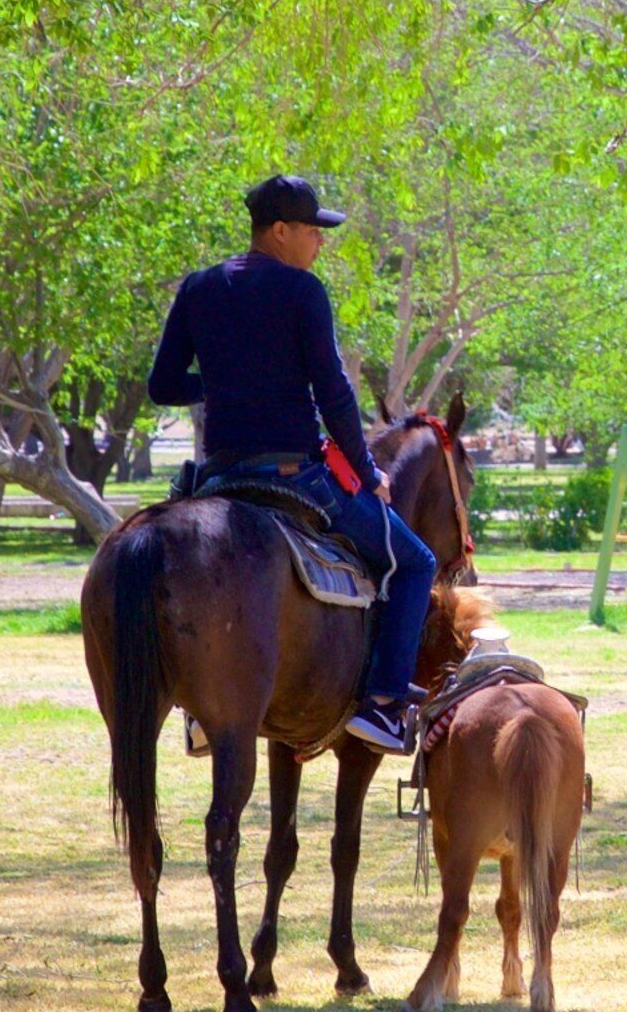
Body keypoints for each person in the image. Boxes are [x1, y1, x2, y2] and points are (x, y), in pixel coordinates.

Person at [145, 173, 435, 754]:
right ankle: (381, 706)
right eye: (312, 231)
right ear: (280, 232)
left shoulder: (199, 288)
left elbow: (162, 385)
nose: (319, 244)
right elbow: (334, 394)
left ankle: (199, 709)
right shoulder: (304, 292)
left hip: (221, 477)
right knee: (416, 561)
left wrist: (227, 380)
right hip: (294, 476)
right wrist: (368, 469)